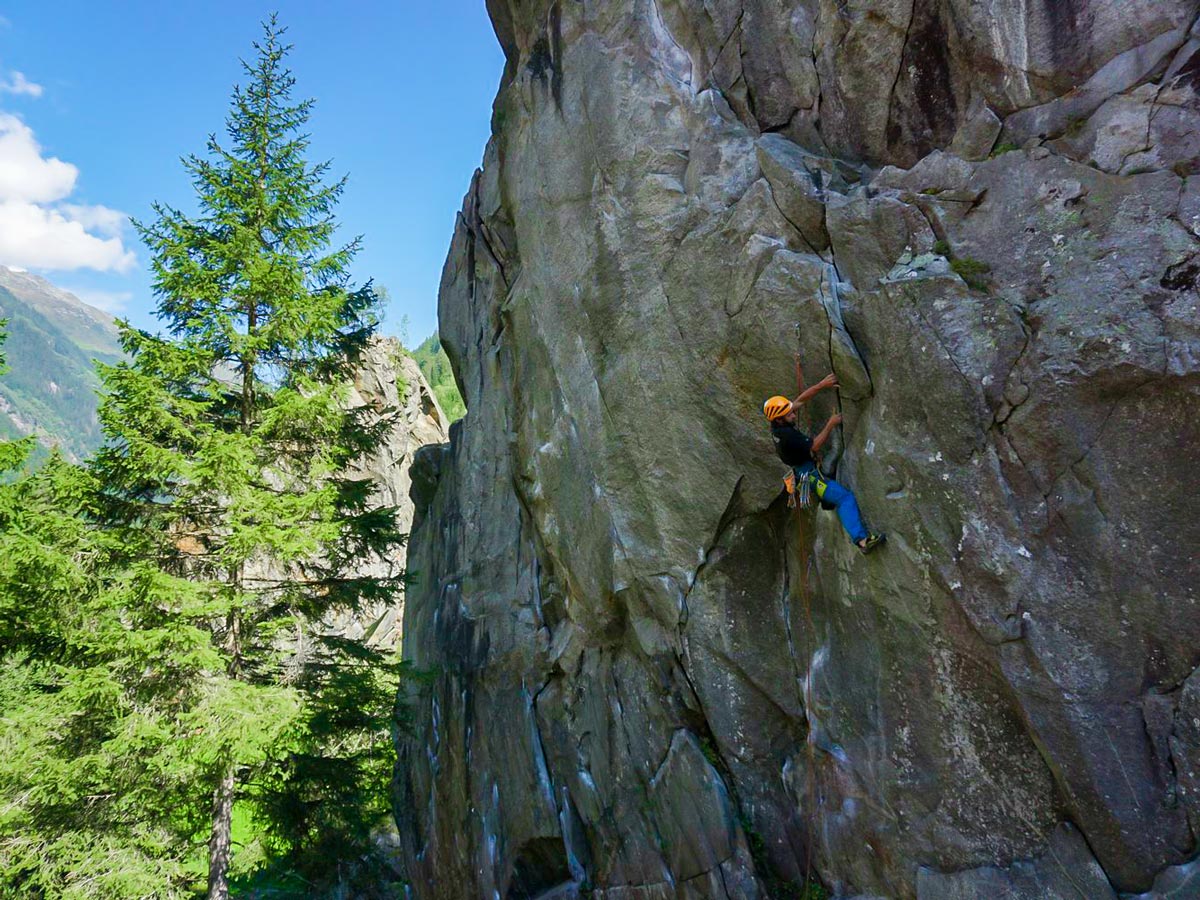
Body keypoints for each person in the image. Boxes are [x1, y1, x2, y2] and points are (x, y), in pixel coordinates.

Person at [763, 374, 885, 554]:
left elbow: (799, 401)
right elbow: (815, 445)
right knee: (845, 498)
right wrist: (831, 423)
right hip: (810, 477)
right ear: (780, 419)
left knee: (831, 486)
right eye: (790, 414)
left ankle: (827, 500)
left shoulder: (779, 423)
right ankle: (862, 541)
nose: (793, 414)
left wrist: (821, 385)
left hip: (807, 469)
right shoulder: (787, 436)